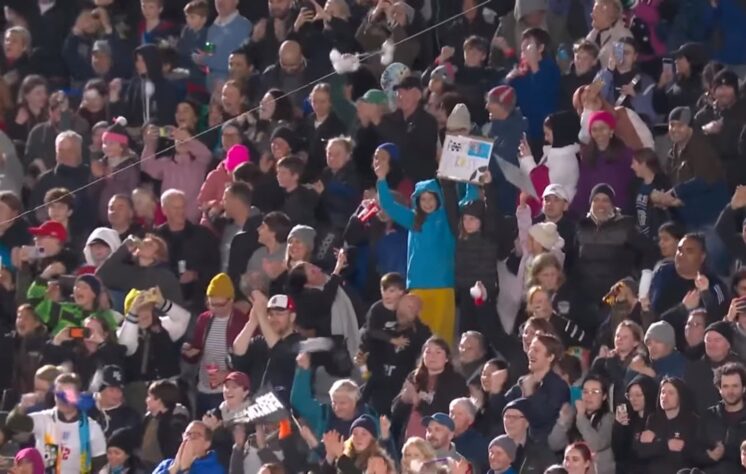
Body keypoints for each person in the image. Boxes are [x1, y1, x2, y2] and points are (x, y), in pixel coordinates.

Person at [375, 151, 458, 343]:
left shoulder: (448, 219)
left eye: (431, 198)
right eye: (423, 199)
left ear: (438, 199)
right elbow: (388, 204)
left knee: (442, 339)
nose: (427, 203)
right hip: (417, 286)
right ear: (417, 202)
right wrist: (381, 179)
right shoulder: (413, 220)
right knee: (420, 338)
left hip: (443, 285)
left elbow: (463, 200)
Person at [16, 372, 108, 474]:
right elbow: (13, 426)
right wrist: (21, 407)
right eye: (59, 394)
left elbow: (101, 465)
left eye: (68, 394)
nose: (62, 400)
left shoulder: (92, 428)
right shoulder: (43, 419)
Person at [183, 273, 247, 417]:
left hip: (228, 393)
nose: (215, 309)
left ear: (231, 301)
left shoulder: (242, 322)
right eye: (211, 304)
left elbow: (251, 360)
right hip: (204, 388)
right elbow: (196, 350)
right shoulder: (204, 319)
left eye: (220, 305)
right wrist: (189, 352)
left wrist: (228, 374)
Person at [152, 420, 225, 474]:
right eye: (186, 434)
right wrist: (174, 468)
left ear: (207, 444)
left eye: (194, 435)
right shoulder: (166, 464)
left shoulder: (214, 469)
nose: (188, 439)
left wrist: (185, 470)